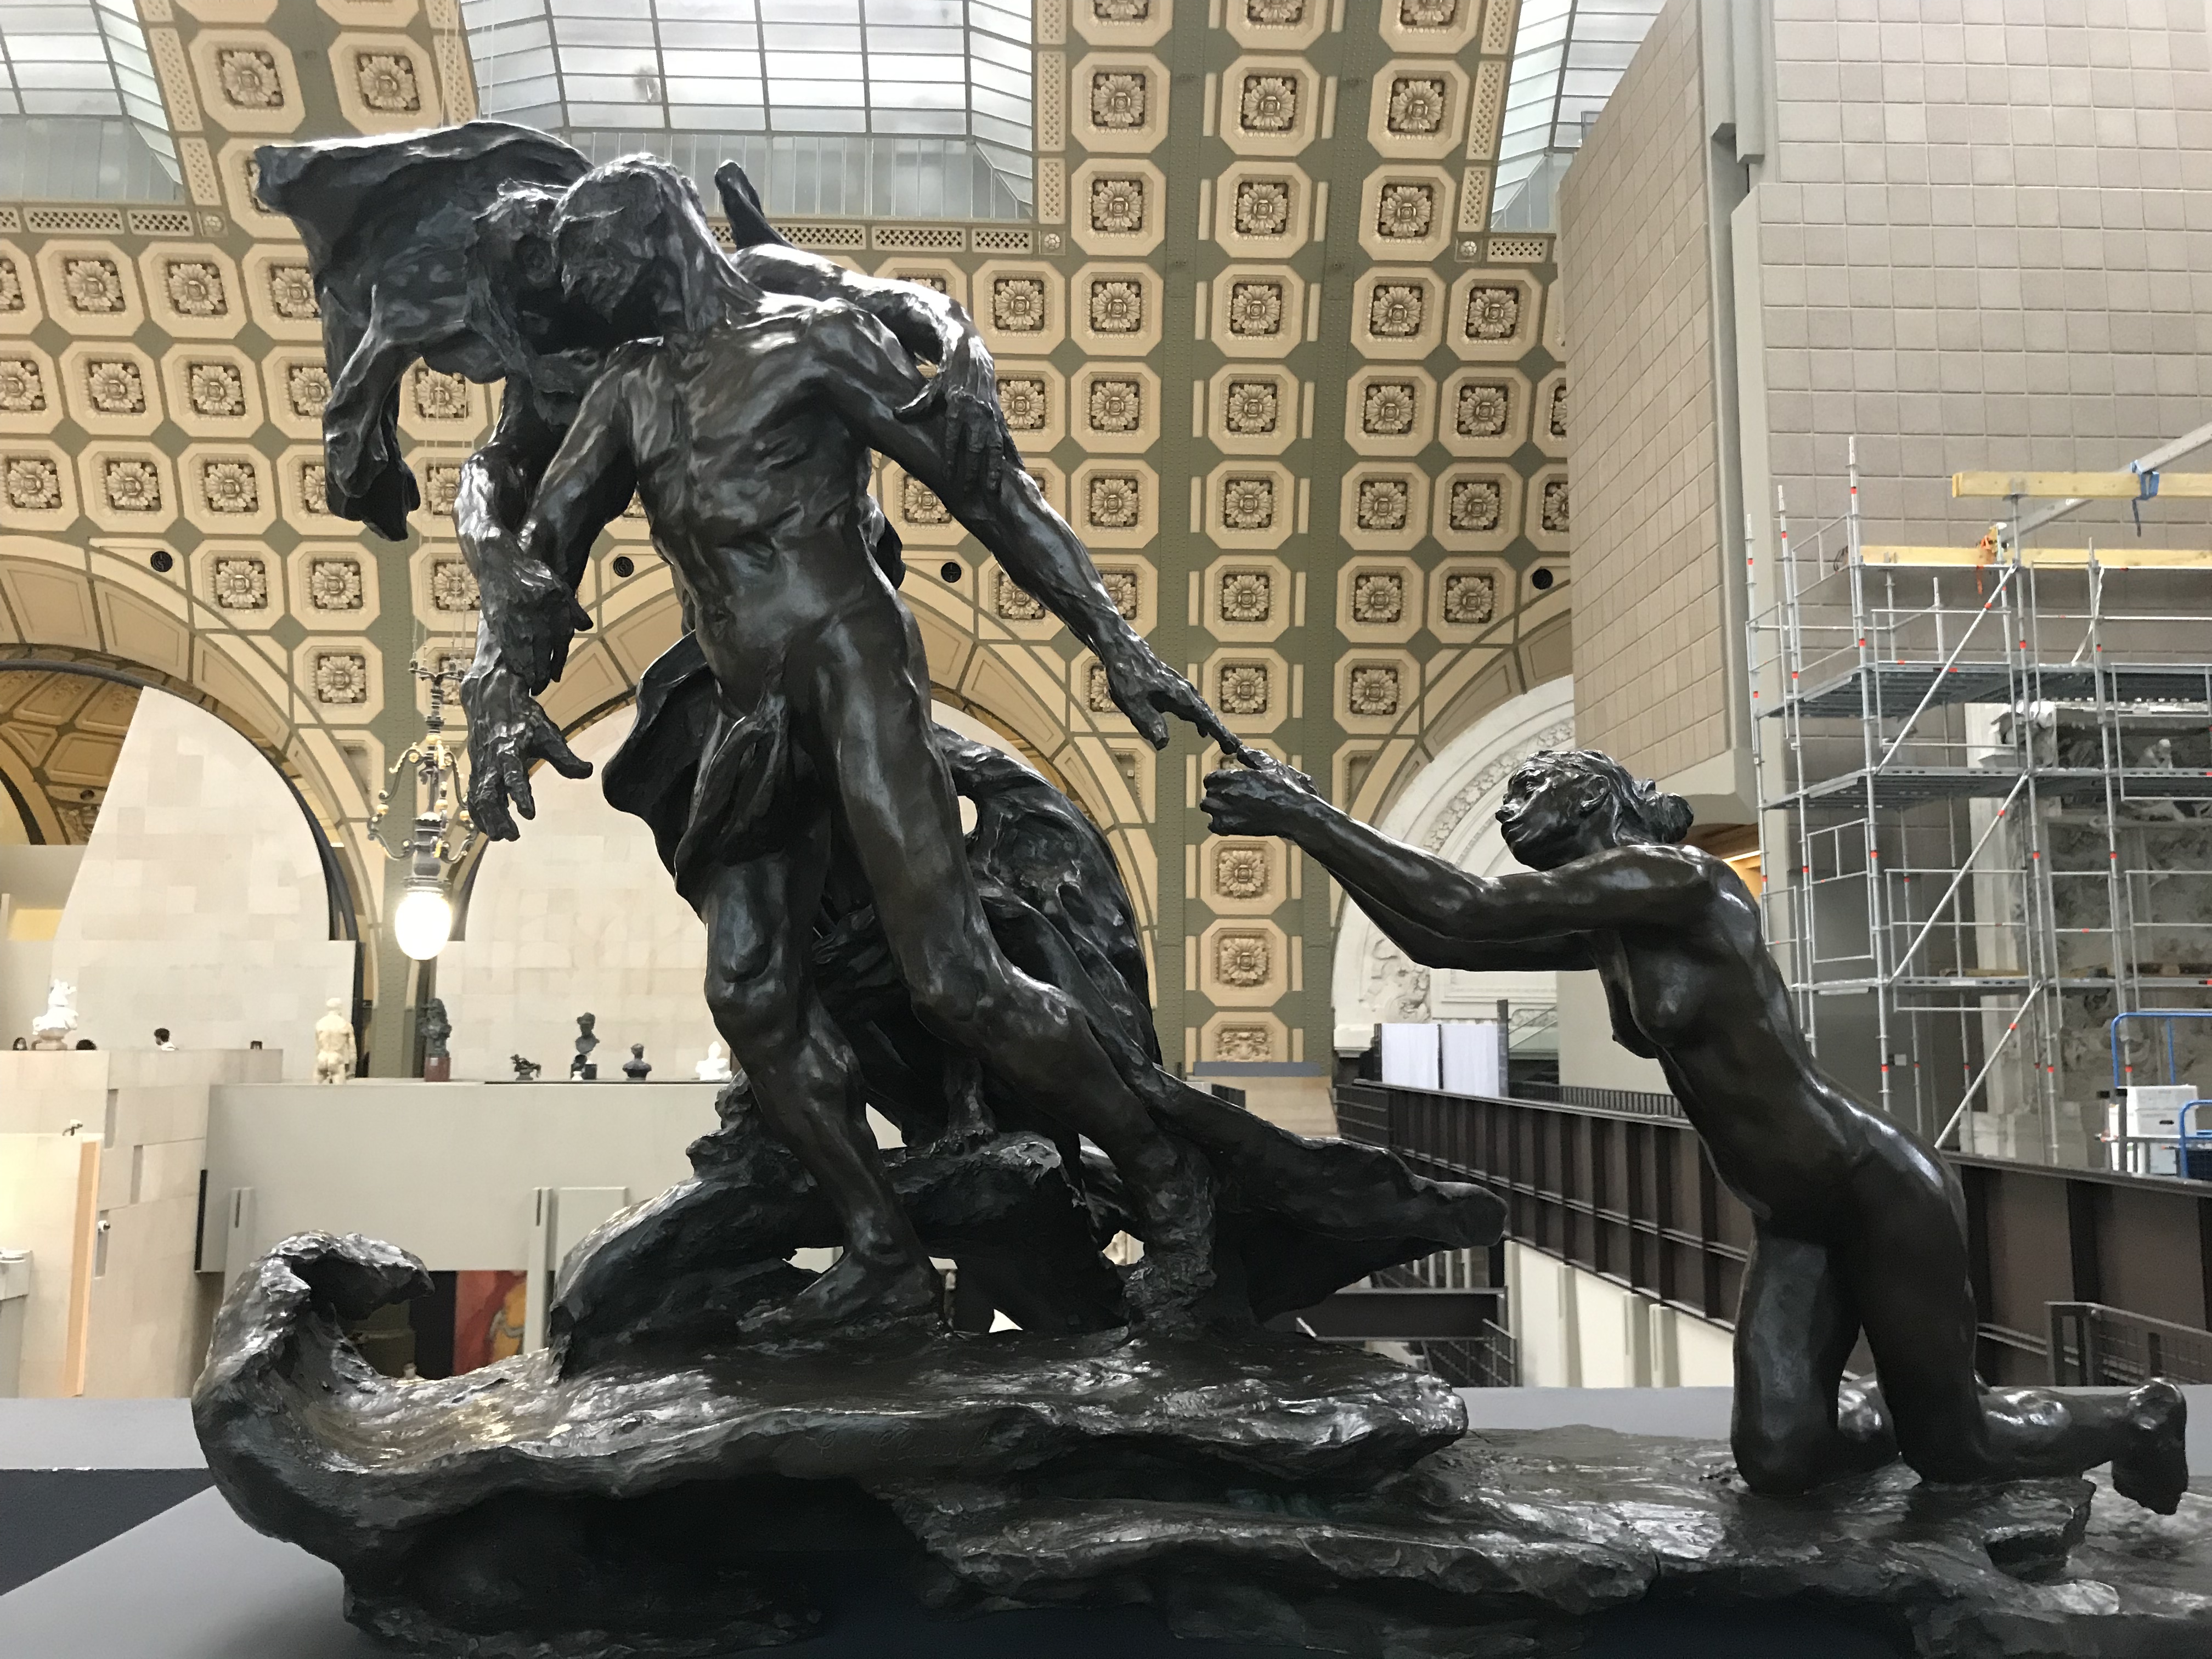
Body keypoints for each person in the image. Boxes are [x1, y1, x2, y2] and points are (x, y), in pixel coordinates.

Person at [490, 156, 1242, 1336]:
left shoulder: (814, 343)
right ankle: (884, 1254)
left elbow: (990, 493)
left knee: (954, 978)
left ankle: (1165, 1172)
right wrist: (499, 678)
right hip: (751, 714)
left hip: (854, 670)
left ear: (650, 239)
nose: (571, 288)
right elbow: (546, 543)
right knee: (749, 993)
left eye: (584, 259)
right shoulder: (631, 387)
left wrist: (1114, 637)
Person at [1201, 746, 2189, 1511]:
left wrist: (1308, 815)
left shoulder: (1677, 880)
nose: (1507, 810)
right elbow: (1437, 938)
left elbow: (1467, 904)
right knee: (1780, 1460)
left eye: (1528, 786)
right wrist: (1306, 828)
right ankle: (1894, 1406)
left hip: (1873, 1191)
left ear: (1593, 795)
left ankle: (2137, 1416)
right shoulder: (1615, 924)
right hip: (1795, 1218)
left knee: (1956, 1451)